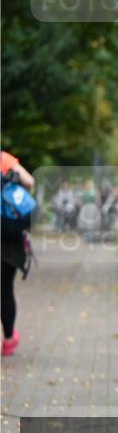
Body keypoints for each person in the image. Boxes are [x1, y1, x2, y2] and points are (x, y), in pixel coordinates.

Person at [1, 149, 35, 357]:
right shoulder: (4, 158)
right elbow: (29, 181)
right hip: (8, 237)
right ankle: (8, 340)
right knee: (5, 291)